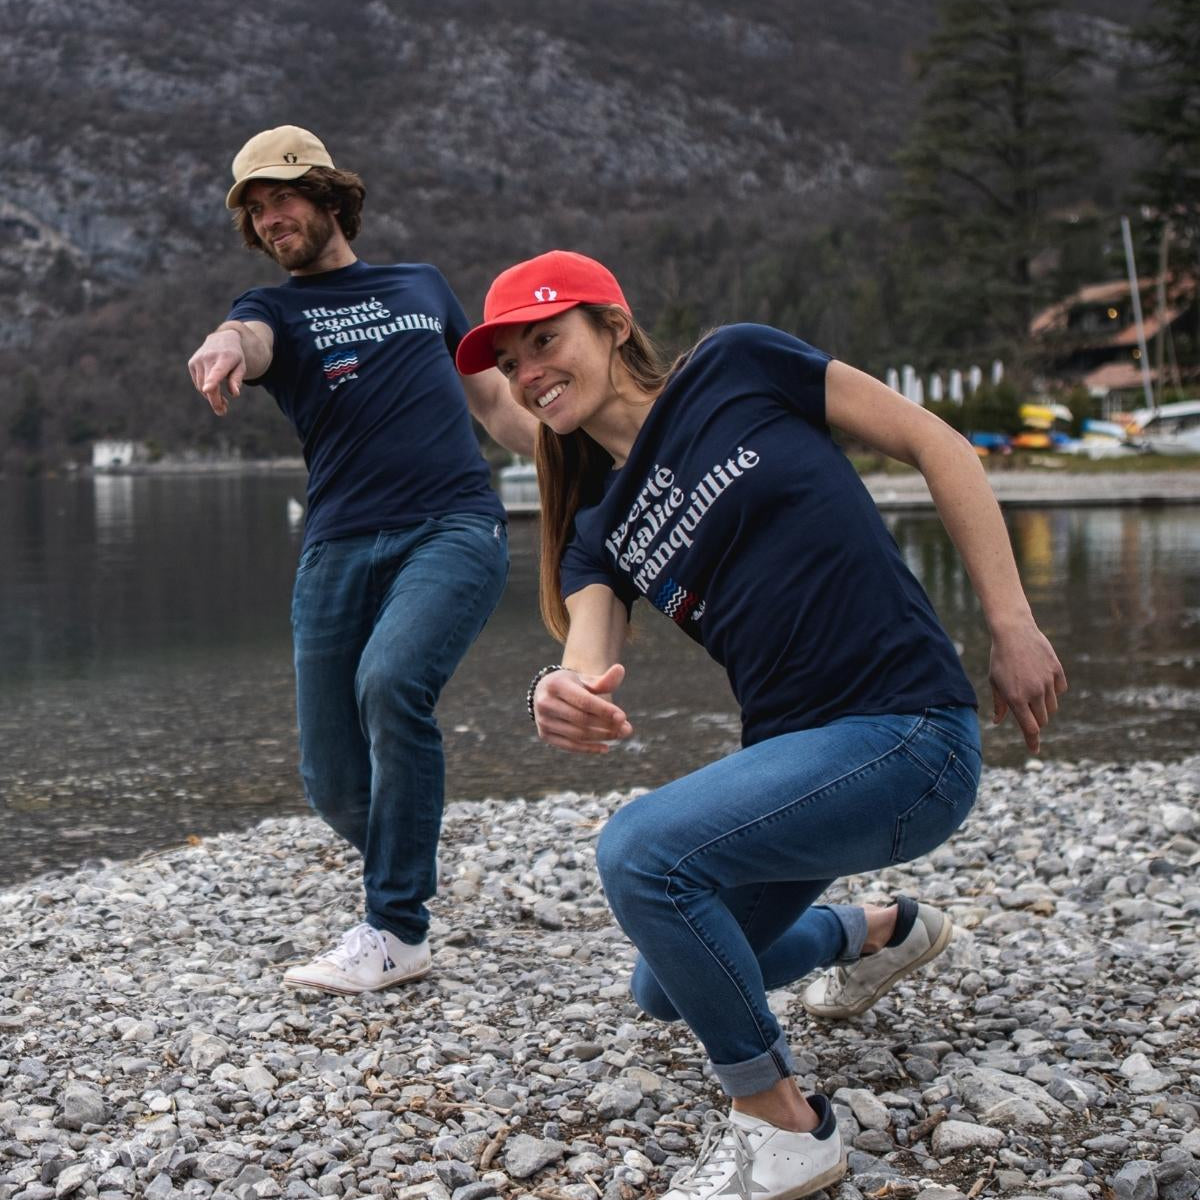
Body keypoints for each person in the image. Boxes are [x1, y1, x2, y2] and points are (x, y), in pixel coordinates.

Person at [456, 251, 1066, 1200]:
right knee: (665, 986)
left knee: (640, 852)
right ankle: (875, 932)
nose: (530, 372)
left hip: (908, 734)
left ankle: (783, 1124)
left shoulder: (736, 365)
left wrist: (1012, 624)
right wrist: (556, 691)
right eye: (511, 363)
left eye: (545, 340)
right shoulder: (598, 530)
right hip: (806, 765)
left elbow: (935, 442)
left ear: (612, 326)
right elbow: (585, 652)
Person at [187, 126, 537, 996]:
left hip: (453, 525)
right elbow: (248, 336)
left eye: (284, 198)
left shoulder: (423, 286)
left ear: (330, 198)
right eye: (256, 210)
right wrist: (227, 343)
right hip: (338, 545)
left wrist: (591, 465)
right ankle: (405, 868)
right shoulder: (272, 309)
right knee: (333, 782)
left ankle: (396, 928)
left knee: (392, 682)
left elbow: (495, 404)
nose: (271, 219)